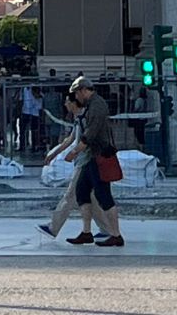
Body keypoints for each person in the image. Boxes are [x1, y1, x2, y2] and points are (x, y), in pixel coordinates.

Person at [69, 75, 123, 248]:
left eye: (77, 93)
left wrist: (74, 151)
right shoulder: (92, 105)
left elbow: (92, 132)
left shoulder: (97, 105)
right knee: (82, 191)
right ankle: (86, 233)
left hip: (100, 155)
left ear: (84, 90)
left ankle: (116, 235)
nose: (76, 98)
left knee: (103, 195)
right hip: (93, 155)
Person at [37, 92, 96, 242]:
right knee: (93, 198)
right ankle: (108, 231)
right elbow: (69, 140)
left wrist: (73, 153)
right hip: (85, 162)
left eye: (67, 101)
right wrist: (53, 154)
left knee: (70, 196)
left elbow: (84, 141)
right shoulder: (78, 119)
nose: (65, 104)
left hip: (85, 162)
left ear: (73, 103)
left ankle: (53, 228)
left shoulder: (84, 119)